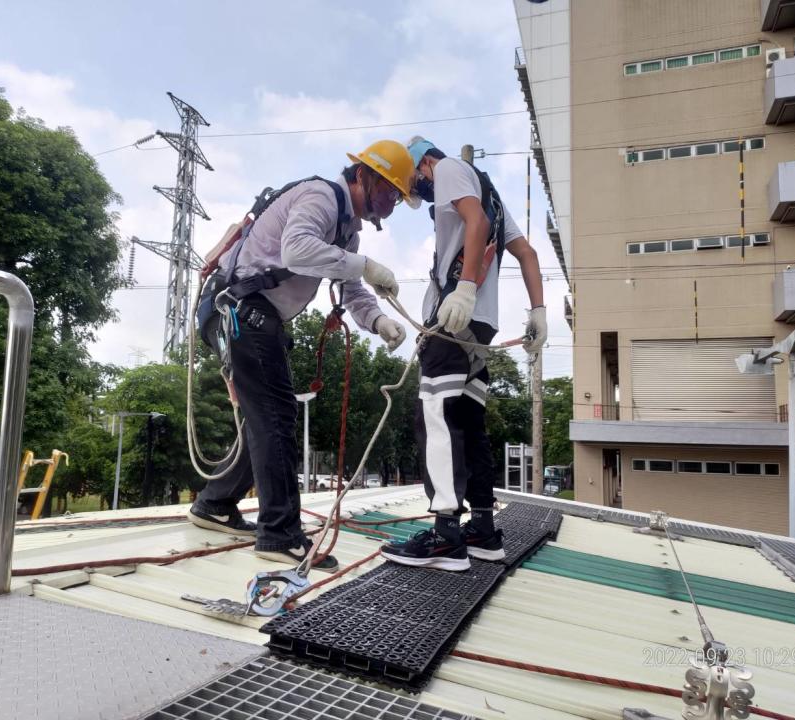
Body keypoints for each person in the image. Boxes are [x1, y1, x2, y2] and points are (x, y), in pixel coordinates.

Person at [188, 140, 415, 573]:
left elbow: (349, 287)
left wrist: (377, 321)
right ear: (365, 176)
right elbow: (296, 251)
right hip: (240, 308)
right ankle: (279, 535)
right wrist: (365, 264)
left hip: (251, 313)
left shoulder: (346, 229)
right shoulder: (321, 198)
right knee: (275, 417)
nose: (390, 207)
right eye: (390, 193)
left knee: (268, 415)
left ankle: (214, 505)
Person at [381, 136, 547, 571]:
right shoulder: (490, 192)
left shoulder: (449, 168)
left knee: (434, 412)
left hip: (455, 316)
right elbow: (524, 252)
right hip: (481, 323)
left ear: (423, 165)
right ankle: (483, 531)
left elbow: (472, 222)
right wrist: (539, 311)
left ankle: (446, 535)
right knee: (469, 420)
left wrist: (465, 287)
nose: (419, 194)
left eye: (415, 186)